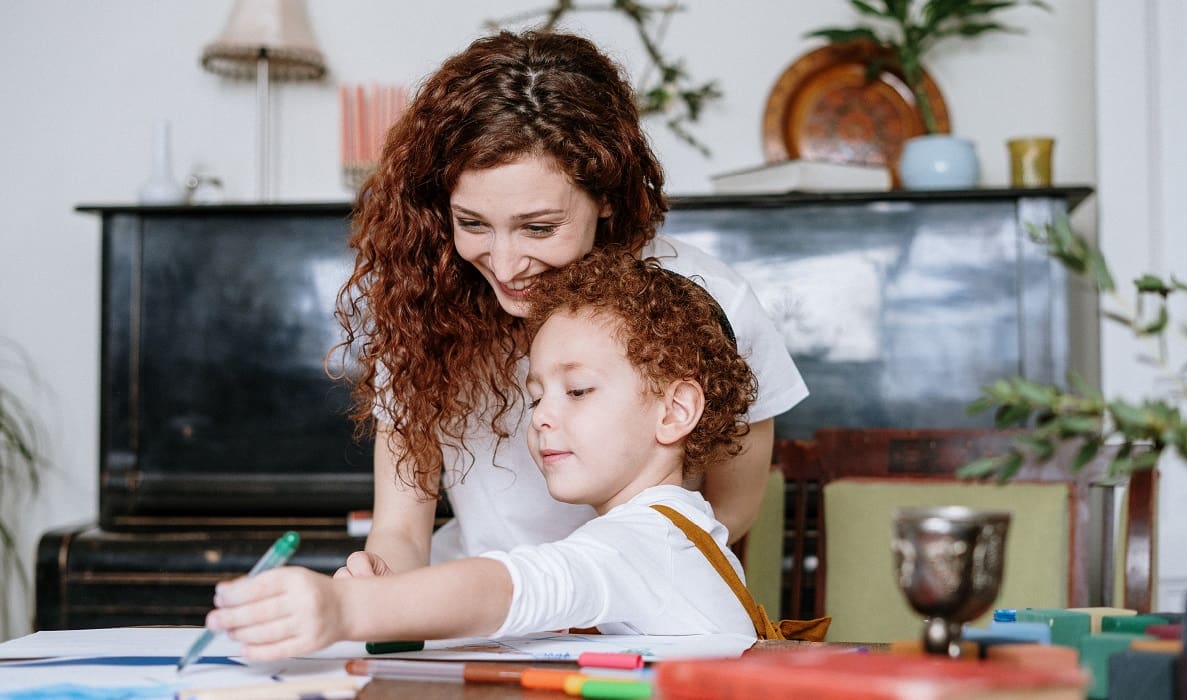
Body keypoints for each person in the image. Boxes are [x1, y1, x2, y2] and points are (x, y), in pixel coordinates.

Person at [333, 30, 807, 581]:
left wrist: (594, 591)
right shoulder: (423, 306)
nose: (506, 266)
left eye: (539, 227)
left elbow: (730, 511)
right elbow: (400, 530)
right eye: (473, 224)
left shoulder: (712, 302)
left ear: (606, 195)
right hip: (473, 612)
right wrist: (378, 579)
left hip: (633, 602)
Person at [207, 252, 763, 659]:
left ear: (675, 411)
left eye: (578, 391)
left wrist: (347, 609)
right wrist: (393, 598)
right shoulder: (664, 531)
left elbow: (513, 586)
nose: (541, 416)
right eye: (535, 395)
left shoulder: (647, 541)